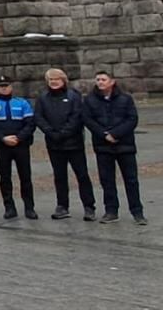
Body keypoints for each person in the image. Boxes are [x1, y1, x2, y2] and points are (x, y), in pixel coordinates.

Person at [80, 70, 144, 225]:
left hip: (125, 145)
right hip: (103, 146)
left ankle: (137, 212)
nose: (100, 82)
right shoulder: (90, 100)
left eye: (103, 79)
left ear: (112, 81)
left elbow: (132, 119)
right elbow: (88, 120)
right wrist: (104, 134)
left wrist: (115, 134)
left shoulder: (125, 99)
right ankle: (111, 211)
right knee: (107, 180)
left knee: (131, 180)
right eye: (98, 79)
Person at [32, 68, 94, 221]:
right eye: (51, 80)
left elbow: (77, 117)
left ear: (63, 80)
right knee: (59, 176)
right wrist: (50, 132)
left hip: (73, 143)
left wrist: (63, 133)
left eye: (56, 79)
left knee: (82, 175)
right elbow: (39, 117)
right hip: (54, 143)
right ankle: (62, 205)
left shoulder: (74, 96)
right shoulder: (42, 98)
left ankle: (89, 206)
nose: (53, 82)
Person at [0, 75, 37, 220]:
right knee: (5, 177)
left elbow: (30, 123)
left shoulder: (22, 102)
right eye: (1, 86)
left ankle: (29, 207)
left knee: (26, 177)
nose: (4, 88)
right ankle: (9, 207)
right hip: (2, 146)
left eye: (6, 85)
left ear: (11, 87)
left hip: (21, 145)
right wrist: (2, 138)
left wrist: (18, 138)